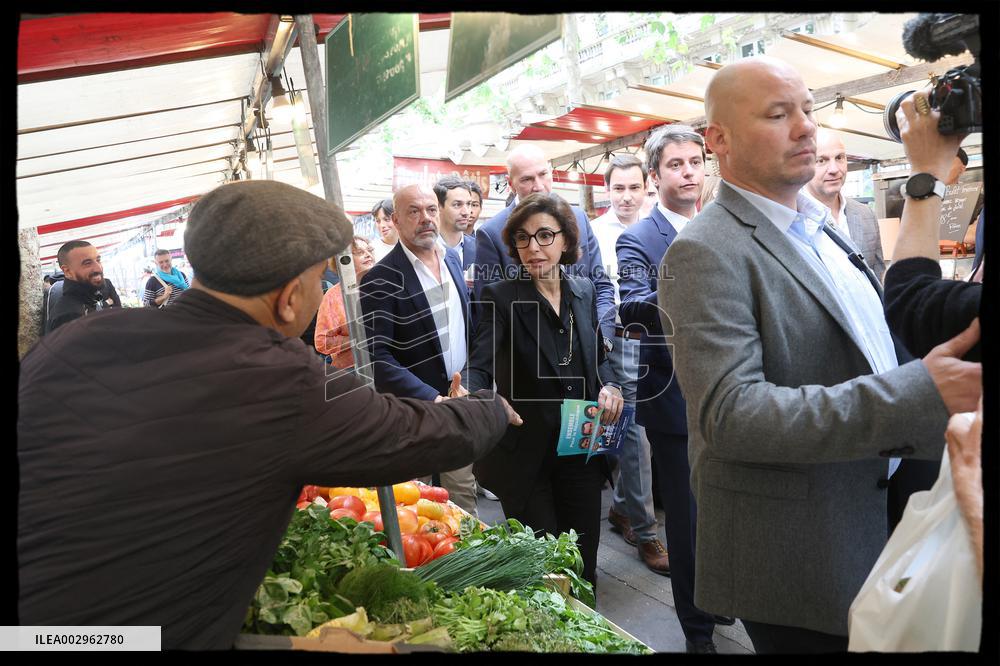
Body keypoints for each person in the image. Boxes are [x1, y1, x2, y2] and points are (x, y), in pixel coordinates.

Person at [18, 180, 519, 650]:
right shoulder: (278, 377)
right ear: (289, 297)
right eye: (317, 279)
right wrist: (489, 408)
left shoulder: (75, 340)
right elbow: (409, 433)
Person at [658, 56, 981, 654]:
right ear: (718, 140)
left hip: (882, 515)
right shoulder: (704, 250)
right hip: (802, 552)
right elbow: (731, 414)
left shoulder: (819, 226)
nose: (806, 126)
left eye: (807, 109)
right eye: (778, 114)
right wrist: (920, 392)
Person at [468, 193, 623, 589]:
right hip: (527, 455)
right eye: (522, 238)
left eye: (544, 235)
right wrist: (483, 398)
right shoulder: (501, 296)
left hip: (579, 449)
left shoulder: (584, 291)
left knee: (584, 565)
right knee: (544, 570)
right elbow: (478, 366)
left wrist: (611, 386)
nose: (533, 247)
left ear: (566, 240)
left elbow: (598, 358)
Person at [617, 124, 724, 653]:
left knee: (726, 513)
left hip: (732, 394)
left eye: (694, 162)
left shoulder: (724, 225)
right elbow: (634, 310)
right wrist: (699, 288)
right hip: (676, 400)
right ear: (655, 176)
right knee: (687, 521)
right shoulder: (637, 238)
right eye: (675, 165)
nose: (687, 173)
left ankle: (720, 595)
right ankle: (696, 631)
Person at [359, 184, 480, 516]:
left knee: (462, 502)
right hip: (411, 415)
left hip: (458, 404)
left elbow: (468, 330)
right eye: (414, 211)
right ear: (396, 220)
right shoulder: (380, 279)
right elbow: (377, 357)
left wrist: (467, 385)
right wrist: (432, 398)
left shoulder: (452, 260)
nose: (425, 218)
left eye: (431, 210)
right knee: (415, 507)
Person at [590, 153, 668, 576]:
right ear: (607, 190)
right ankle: (645, 528)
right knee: (635, 433)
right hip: (618, 340)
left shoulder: (657, 226)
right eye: (618, 188)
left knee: (646, 430)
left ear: (646, 187)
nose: (626, 196)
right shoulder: (594, 233)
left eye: (633, 187)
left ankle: (622, 507)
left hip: (659, 339)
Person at [473, 145, 616, 348]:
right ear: (510, 183)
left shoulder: (579, 218)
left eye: (543, 174)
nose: (538, 186)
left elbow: (601, 285)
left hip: (587, 349)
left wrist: (603, 339)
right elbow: (489, 312)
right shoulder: (492, 233)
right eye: (527, 179)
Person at [802, 129, 886, 280]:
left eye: (839, 157)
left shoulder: (865, 214)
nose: (834, 169)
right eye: (821, 160)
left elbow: (878, 278)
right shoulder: (795, 219)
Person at [314, 236, 376, 368]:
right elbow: (322, 341)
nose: (368, 254)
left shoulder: (386, 285)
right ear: (344, 261)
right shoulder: (333, 296)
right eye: (359, 252)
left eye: (370, 250)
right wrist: (359, 338)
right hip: (353, 370)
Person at [44, 240, 121, 334]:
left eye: (98, 260)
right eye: (87, 263)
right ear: (67, 271)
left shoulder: (92, 297)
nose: (98, 268)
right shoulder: (69, 315)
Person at [433, 176, 478, 273]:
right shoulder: (424, 249)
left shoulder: (480, 248)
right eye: (457, 204)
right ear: (438, 206)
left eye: (469, 204)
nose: (466, 212)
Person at [370, 198, 398, 262]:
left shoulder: (411, 246)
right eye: (378, 221)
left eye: (387, 219)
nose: (382, 225)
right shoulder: (371, 249)